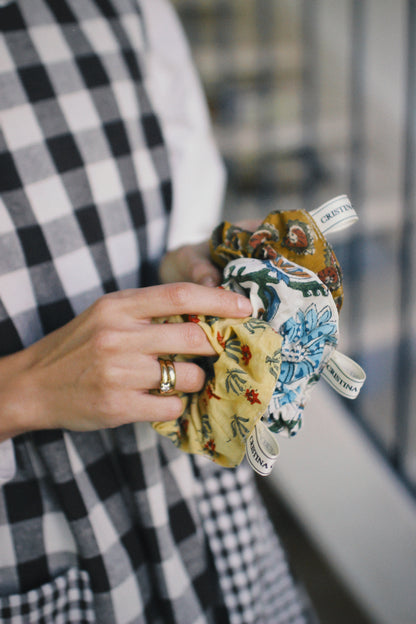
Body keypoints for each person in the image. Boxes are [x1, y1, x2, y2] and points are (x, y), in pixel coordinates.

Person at [0, 1, 315, 622]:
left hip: (191, 503)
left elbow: (176, 218)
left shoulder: (128, 12)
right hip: (26, 543)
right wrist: (25, 391)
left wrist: (188, 267)